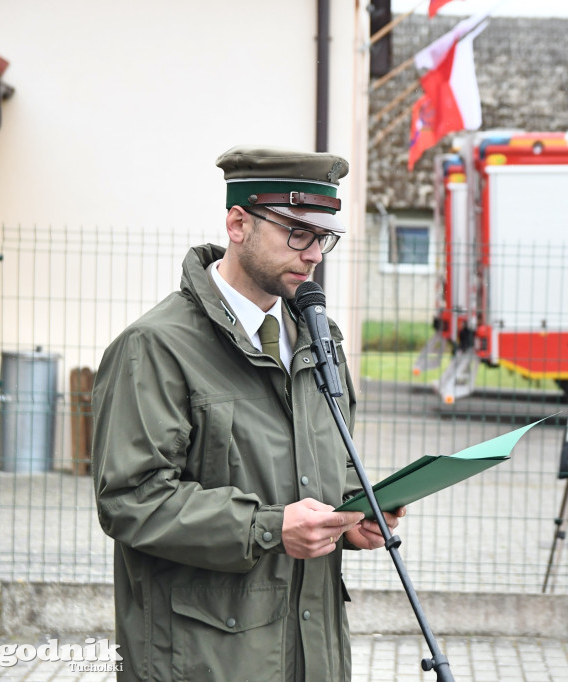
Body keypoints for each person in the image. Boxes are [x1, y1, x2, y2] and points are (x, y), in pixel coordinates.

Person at [92, 146, 404, 681]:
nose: (313, 255)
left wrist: (355, 516)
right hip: (204, 658)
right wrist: (268, 527)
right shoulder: (156, 346)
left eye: (323, 237)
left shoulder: (318, 336)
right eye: (297, 232)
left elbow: (330, 457)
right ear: (238, 224)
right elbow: (130, 499)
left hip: (311, 649)